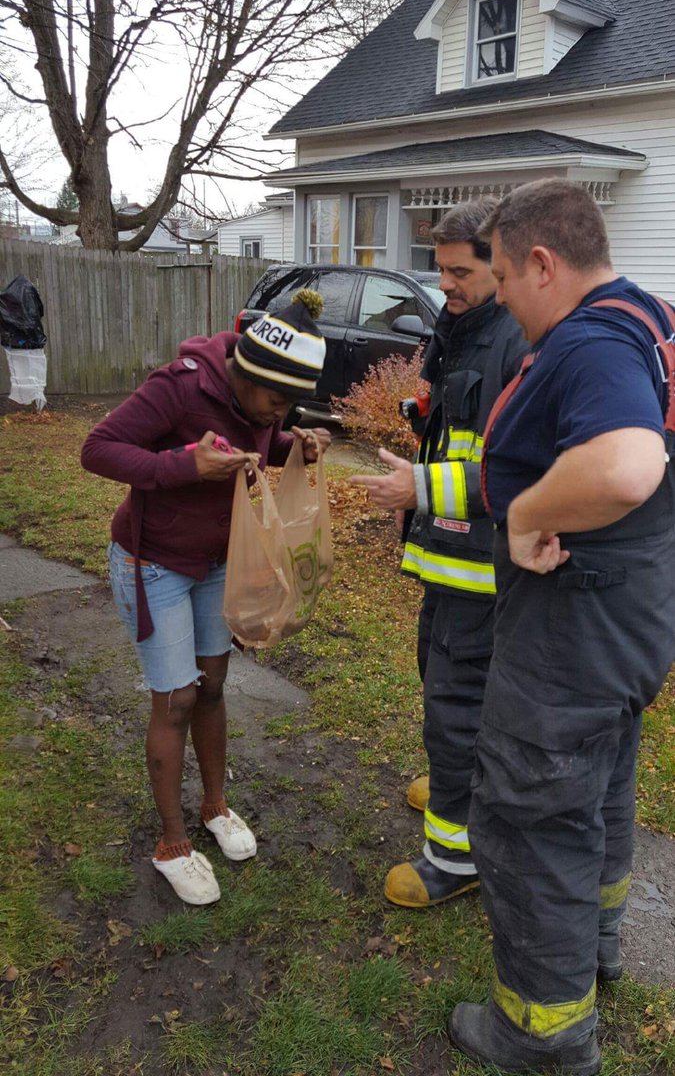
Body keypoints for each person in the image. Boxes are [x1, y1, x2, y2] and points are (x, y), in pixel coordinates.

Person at [449, 179, 675, 1076]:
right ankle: (599, 947)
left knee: (534, 819)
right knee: (598, 789)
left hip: (571, 628)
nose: (499, 294)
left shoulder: (586, 342)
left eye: (502, 274)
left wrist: (524, 512)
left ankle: (541, 1036)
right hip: (633, 616)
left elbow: (624, 466)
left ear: (543, 263)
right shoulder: (651, 316)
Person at [81, 290, 330, 906]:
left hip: (218, 563)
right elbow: (99, 449)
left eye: (290, 404)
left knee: (214, 687)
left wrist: (292, 443)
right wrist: (183, 466)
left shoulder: (262, 401)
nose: (281, 410)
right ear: (244, 375)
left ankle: (214, 805)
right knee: (176, 699)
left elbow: (257, 442)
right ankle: (171, 842)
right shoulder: (179, 386)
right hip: (155, 562)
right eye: (278, 402)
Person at [351, 200, 527, 907]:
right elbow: (459, 424)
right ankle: (462, 786)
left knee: (456, 705)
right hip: (449, 561)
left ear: (502, 264)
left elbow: (515, 467)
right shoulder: (464, 326)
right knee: (441, 681)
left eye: (459, 271)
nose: (443, 283)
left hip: (483, 568)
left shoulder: (515, 340)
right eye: (439, 267)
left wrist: (418, 486)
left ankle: (455, 857)